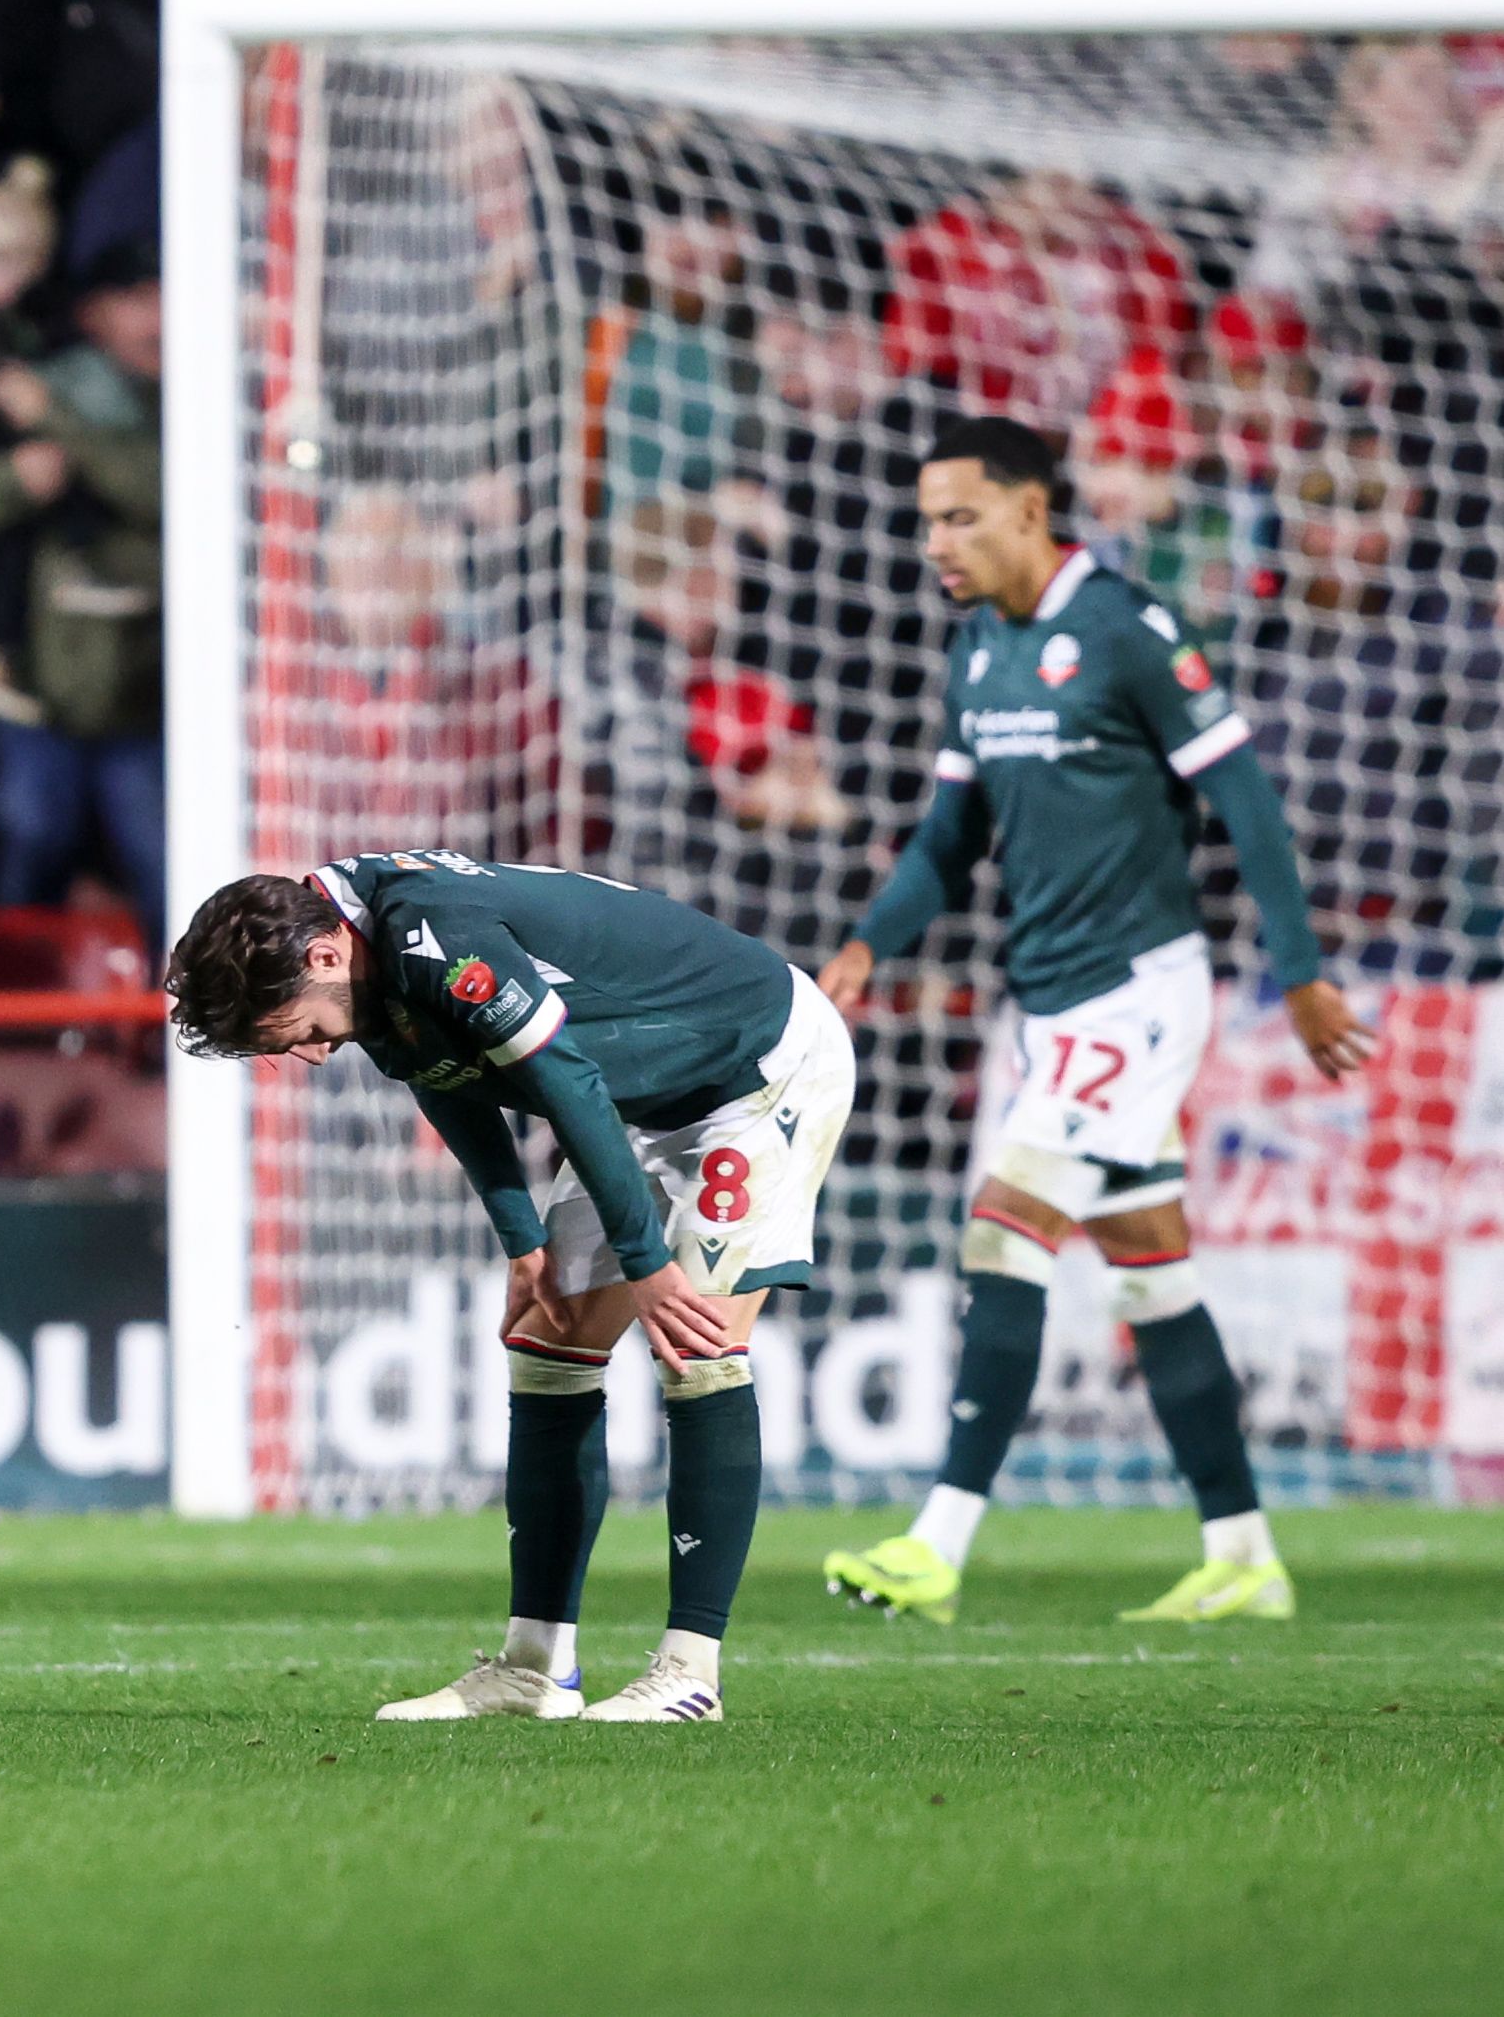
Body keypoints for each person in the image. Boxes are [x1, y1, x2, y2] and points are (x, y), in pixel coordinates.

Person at [818, 416, 1376, 1629]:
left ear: (1029, 509)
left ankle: (936, 1540)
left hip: (1138, 990)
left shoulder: (1121, 629)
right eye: (926, 522)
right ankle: (1242, 1554)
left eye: (959, 517)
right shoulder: (978, 651)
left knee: (1003, 1232)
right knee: (1152, 1282)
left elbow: (1244, 797)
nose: (938, 543)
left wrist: (1301, 971)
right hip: (1050, 1000)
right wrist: (870, 943)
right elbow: (946, 842)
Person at [163, 851, 857, 1727]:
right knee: (550, 1345)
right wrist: (524, 1244)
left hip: (757, 1068)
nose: (309, 1050)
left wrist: (646, 1262)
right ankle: (534, 1666)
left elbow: (561, 1078)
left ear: (325, 956)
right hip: (641, 1099)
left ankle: (690, 1671)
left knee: (696, 1344)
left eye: (295, 1030)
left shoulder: (435, 937)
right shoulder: (356, 950)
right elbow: (441, 1076)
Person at [0, 236, 166, 946]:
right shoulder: (37, 384)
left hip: (146, 687)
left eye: (163, 297)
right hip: (35, 679)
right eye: (135, 300)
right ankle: (13, 1011)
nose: (156, 319)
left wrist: (60, 425)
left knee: (162, 854)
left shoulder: (201, 399)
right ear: (93, 315)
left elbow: (162, 490)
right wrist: (15, 481)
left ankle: (188, 1022)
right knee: (34, 826)